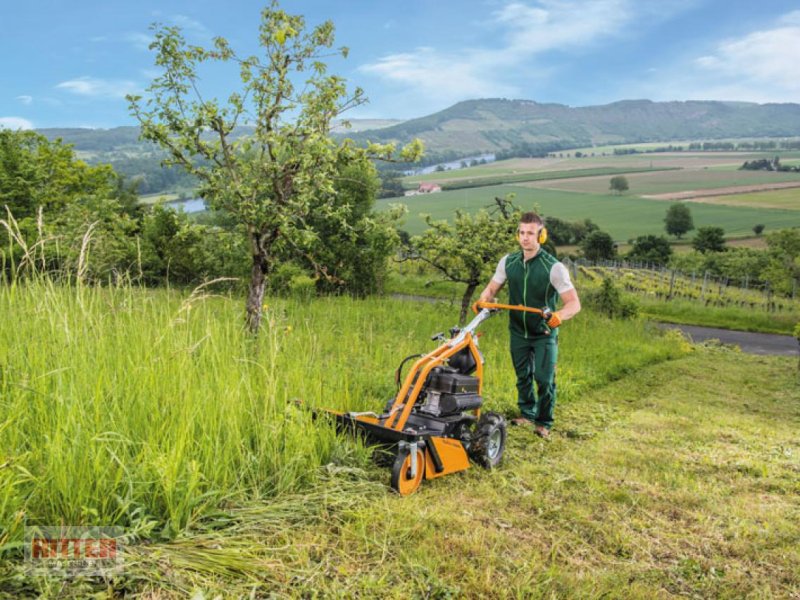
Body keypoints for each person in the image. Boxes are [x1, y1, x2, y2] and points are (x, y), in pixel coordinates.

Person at [477, 212, 581, 438]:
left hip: (544, 332)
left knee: (544, 379)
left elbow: (574, 303)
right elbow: (491, 289)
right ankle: (527, 413)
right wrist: (483, 299)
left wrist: (560, 316)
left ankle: (544, 422)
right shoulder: (508, 262)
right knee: (523, 375)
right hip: (518, 331)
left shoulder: (553, 268)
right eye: (522, 233)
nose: (525, 238)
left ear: (541, 236)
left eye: (531, 233)